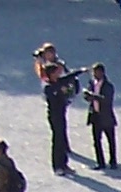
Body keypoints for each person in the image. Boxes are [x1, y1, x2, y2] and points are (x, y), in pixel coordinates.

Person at [37, 45, 79, 175]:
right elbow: (55, 90)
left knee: (62, 138)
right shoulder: (49, 87)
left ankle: (64, 164)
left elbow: (68, 77)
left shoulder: (57, 82)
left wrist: (81, 71)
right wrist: (61, 90)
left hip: (61, 113)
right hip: (54, 116)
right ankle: (57, 166)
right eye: (56, 73)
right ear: (51, 74)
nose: (59, 74)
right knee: (57, 140)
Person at [85, 63, 118, 169]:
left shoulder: (108, 86)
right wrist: (87, 96)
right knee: (96, 141)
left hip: (106, 116)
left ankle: (113, 161)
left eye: (97, 72)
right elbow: (89, 96)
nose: (95, 74)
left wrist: (93, 96)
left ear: (102, 73)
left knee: (111, 140)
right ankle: (100, 162)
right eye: (93, 72)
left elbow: (106, 99)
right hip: (95, 115)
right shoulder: (92, 83)